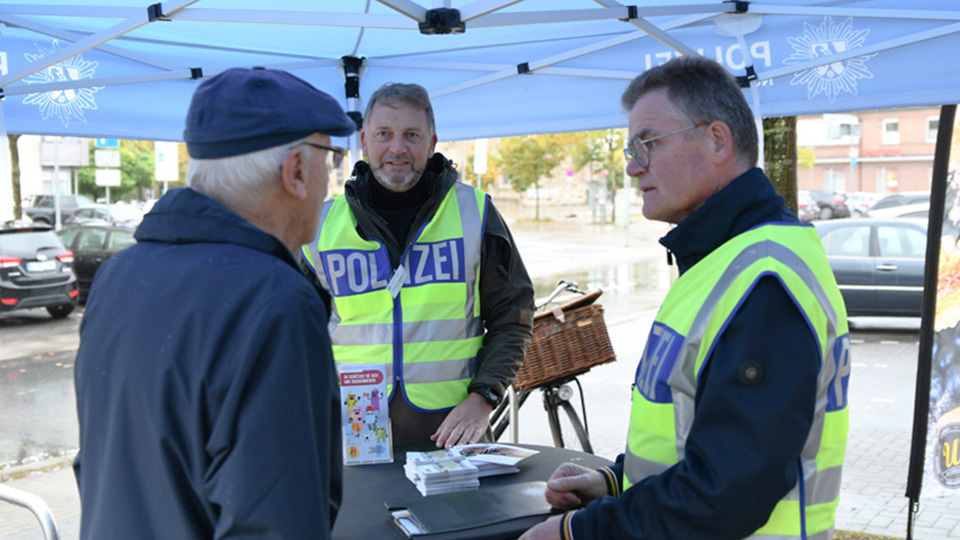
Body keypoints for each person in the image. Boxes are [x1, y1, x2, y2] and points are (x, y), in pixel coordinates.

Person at [521, 56, 852, 540]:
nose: (633, 167)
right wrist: (614, 481)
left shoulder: (764, 280)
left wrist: (577, 532)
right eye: (630, 149)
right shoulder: (727, 260)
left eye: (647, 144)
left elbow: (726, 491)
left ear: (717, 140)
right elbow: (699, 437)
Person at [73, 67, 356, 539]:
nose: (331, 181)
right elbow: (277, 523)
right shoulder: (276, 303)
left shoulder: (117, 276)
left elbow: (97, 466)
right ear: (297, 172)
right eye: (330, 159)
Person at [301, 83, 534, 448]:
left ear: (432, 142)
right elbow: (294, 335)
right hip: (352, 434)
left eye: (411, 135)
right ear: (364, 140)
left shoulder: (476, 213)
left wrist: (484, 397)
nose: (397, 148)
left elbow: (513, 316)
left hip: (453, 431)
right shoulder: (319, 227)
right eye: (384, 134)